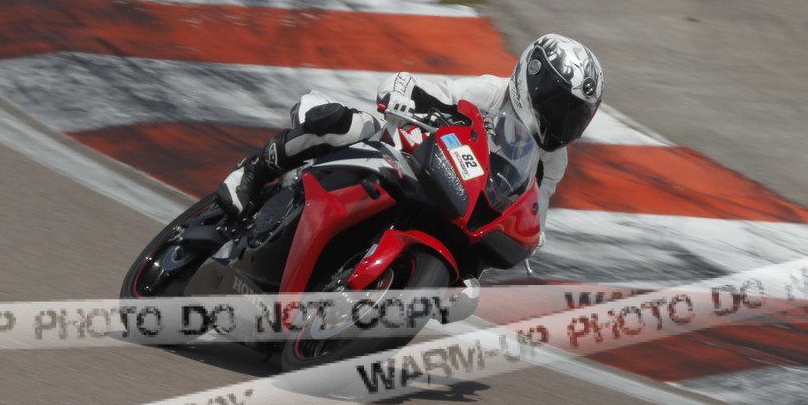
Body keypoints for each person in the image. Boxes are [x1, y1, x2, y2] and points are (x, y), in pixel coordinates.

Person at [220, 33, 605, 242]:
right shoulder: (491, 92)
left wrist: (527, 235)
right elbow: (420, 88)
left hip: (463, 212)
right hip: (418, 157)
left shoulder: (553, 160)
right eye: (559, 106)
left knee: (464, 297)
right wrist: (401, 97)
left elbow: (536, 214)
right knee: (341, 123)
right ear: (532, 80)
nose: (563, 121)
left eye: (575, 115)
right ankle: (252, 172)